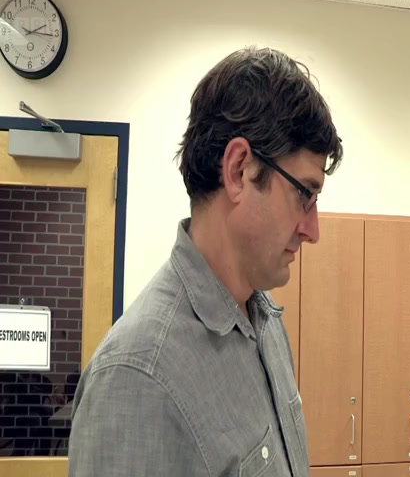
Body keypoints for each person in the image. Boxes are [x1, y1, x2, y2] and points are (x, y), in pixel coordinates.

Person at [67, 46, 343, 476]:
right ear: (239, 170)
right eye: (305, 193)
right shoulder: (138, 378)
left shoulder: (265, 321)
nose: (313, 229)